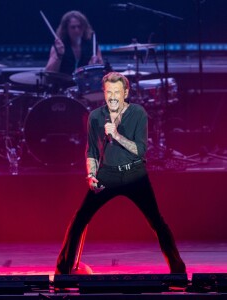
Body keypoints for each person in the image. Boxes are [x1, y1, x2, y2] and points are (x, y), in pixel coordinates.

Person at [55, 72, 186, 275]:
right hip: (107, 176)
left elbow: (140, 149)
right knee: (80, 218)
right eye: (108, 92)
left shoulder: (138, 114)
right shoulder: (96, 116)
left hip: (134, 175)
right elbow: (91, 150)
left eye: (117, 91)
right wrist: (91, 174)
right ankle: (63, 272)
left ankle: (178, 271)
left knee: (156, 221)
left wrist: (116, 135)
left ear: (126, 92)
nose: (112, 96)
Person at [45, 10, 103, 75]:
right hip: (63, 84)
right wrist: (59, 56)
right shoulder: (59, 46)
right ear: (66, 29)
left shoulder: (93, 45)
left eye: (79, 26)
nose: (77, 30)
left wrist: (95, 66)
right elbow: (48, 75)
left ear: (84, 27)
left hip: (85, 84)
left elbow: (101, 74)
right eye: (73, 27)